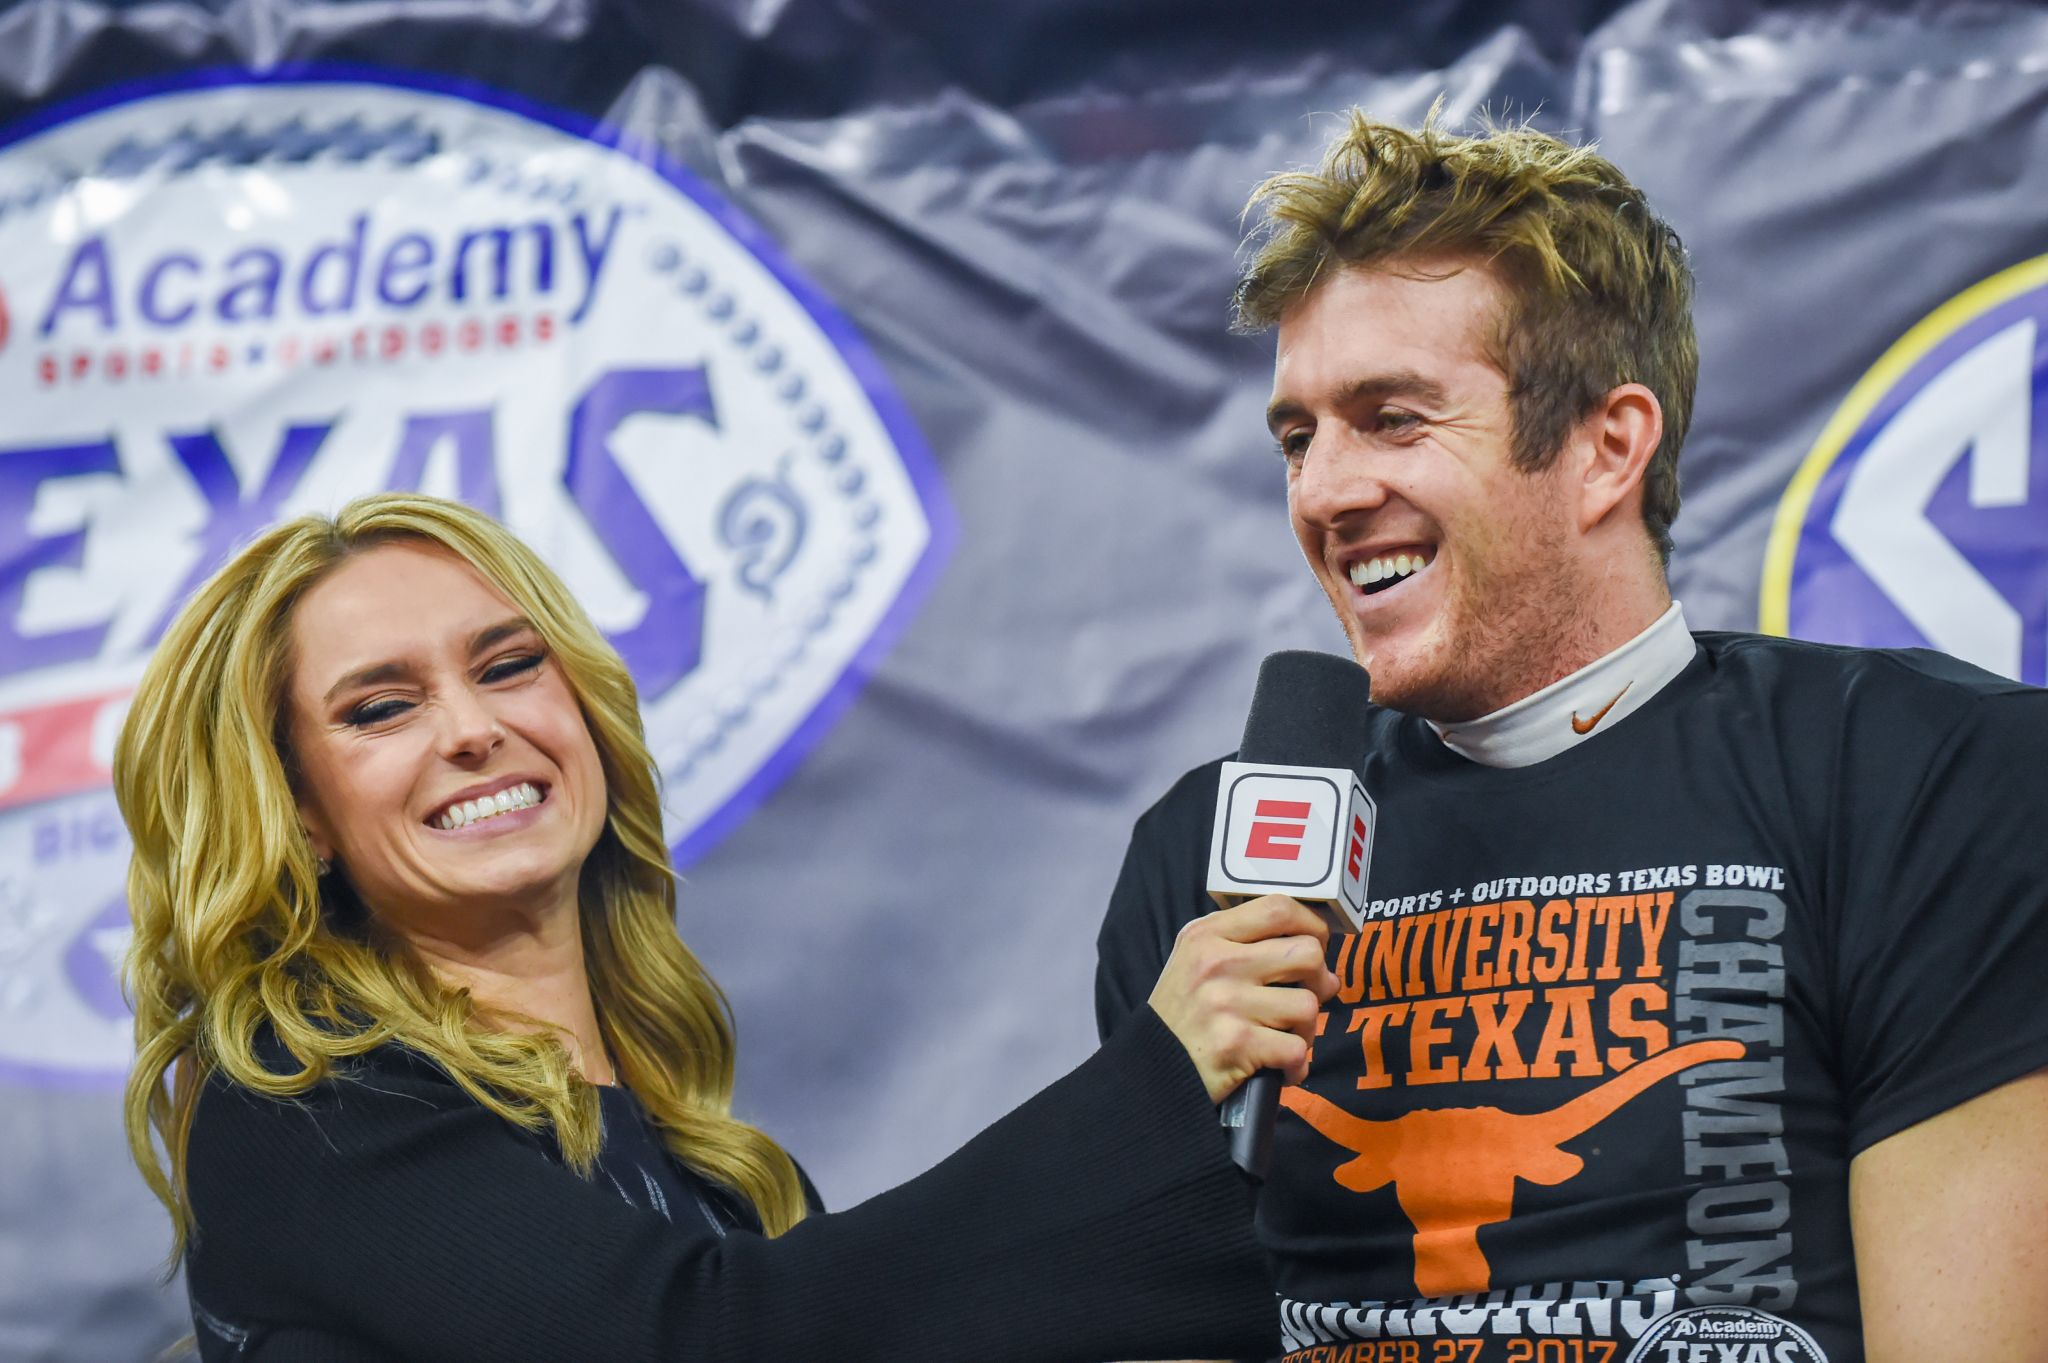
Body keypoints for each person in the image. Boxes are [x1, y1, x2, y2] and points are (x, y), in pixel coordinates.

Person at [1095, 112, 2048, 1363]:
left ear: (1606, 448)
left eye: (1391, 417)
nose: (1321, 490)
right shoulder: (1207, 855)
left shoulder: (1921, 772)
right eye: (1296, 435)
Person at [117, 492, 1339, 1363]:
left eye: (505, 665)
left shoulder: (723, 1180)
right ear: (300, 814)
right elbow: (702, 1337)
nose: (471, 727)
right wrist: (1156, 1078)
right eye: (381, 706)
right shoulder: (300, 1111)